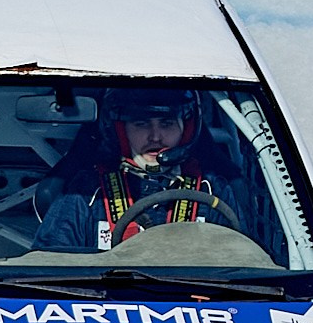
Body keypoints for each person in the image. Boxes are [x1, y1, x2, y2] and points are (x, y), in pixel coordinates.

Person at [32, 89, 277, 256]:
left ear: (186, 129)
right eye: (141, 124)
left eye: (167, 123)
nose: (155, 136)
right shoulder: (87, 192)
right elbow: (49, 269)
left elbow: (242, 265)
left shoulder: (212, 191)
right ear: (121, 130)